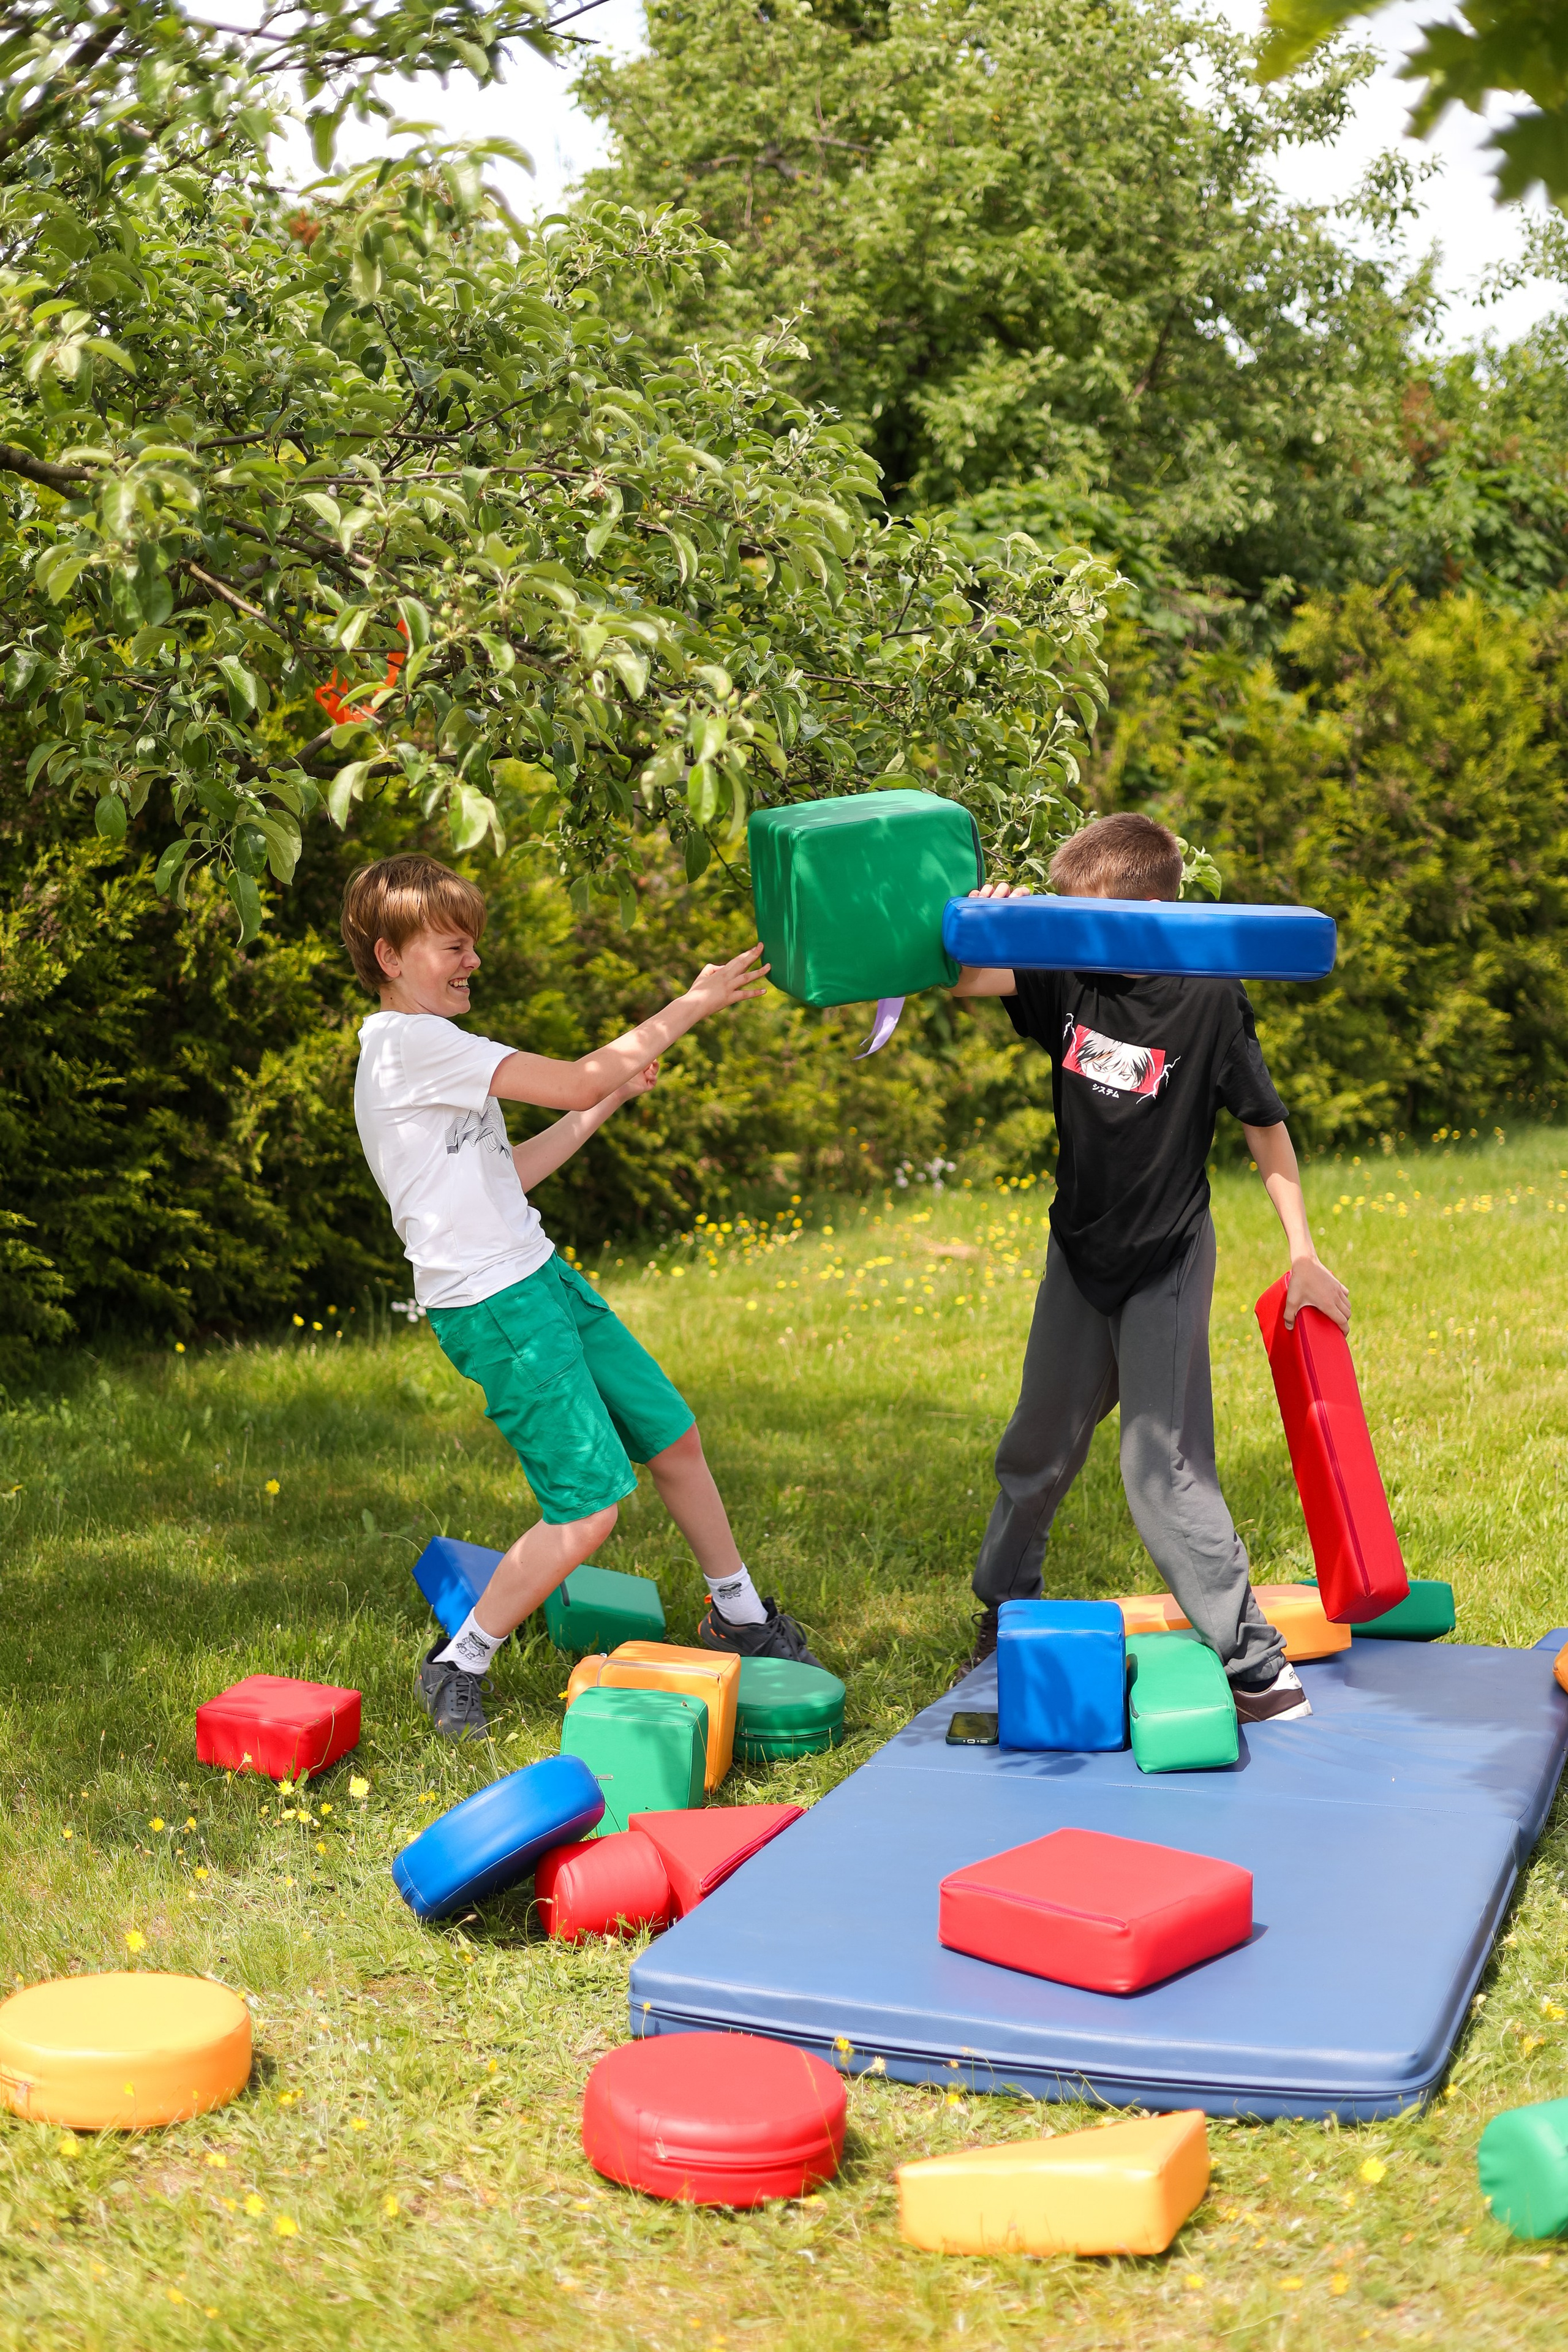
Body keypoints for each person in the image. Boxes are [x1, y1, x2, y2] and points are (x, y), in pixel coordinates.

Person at [342, 853, 820, 1739]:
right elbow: (578, 1074)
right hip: (495, 1306)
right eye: (452, 946)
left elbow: (506, 1174)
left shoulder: (429, 1052)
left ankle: (739, 1616)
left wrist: (595, 1112)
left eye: (472, 944)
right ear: (390, 954)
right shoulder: (411, 1046)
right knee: (589, 1507)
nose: (471, 962)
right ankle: (460, 1660)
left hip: (537, 1274)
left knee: (672, 1435)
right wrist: (694, 1001)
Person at [952, 812, 1349, 1724]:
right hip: (1079, 1246)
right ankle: (1005, 1606)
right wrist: (991, 919)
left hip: (1166, 1253)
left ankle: (1257, 1669)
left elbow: (1264, 1122)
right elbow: (967, 980)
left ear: (1151, 912)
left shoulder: (1208, 993)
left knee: (1160, 1464)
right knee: (1036, 1447)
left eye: (1080, 913)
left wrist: (1302, 1253)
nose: (1070, 928)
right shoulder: (1065, 968)